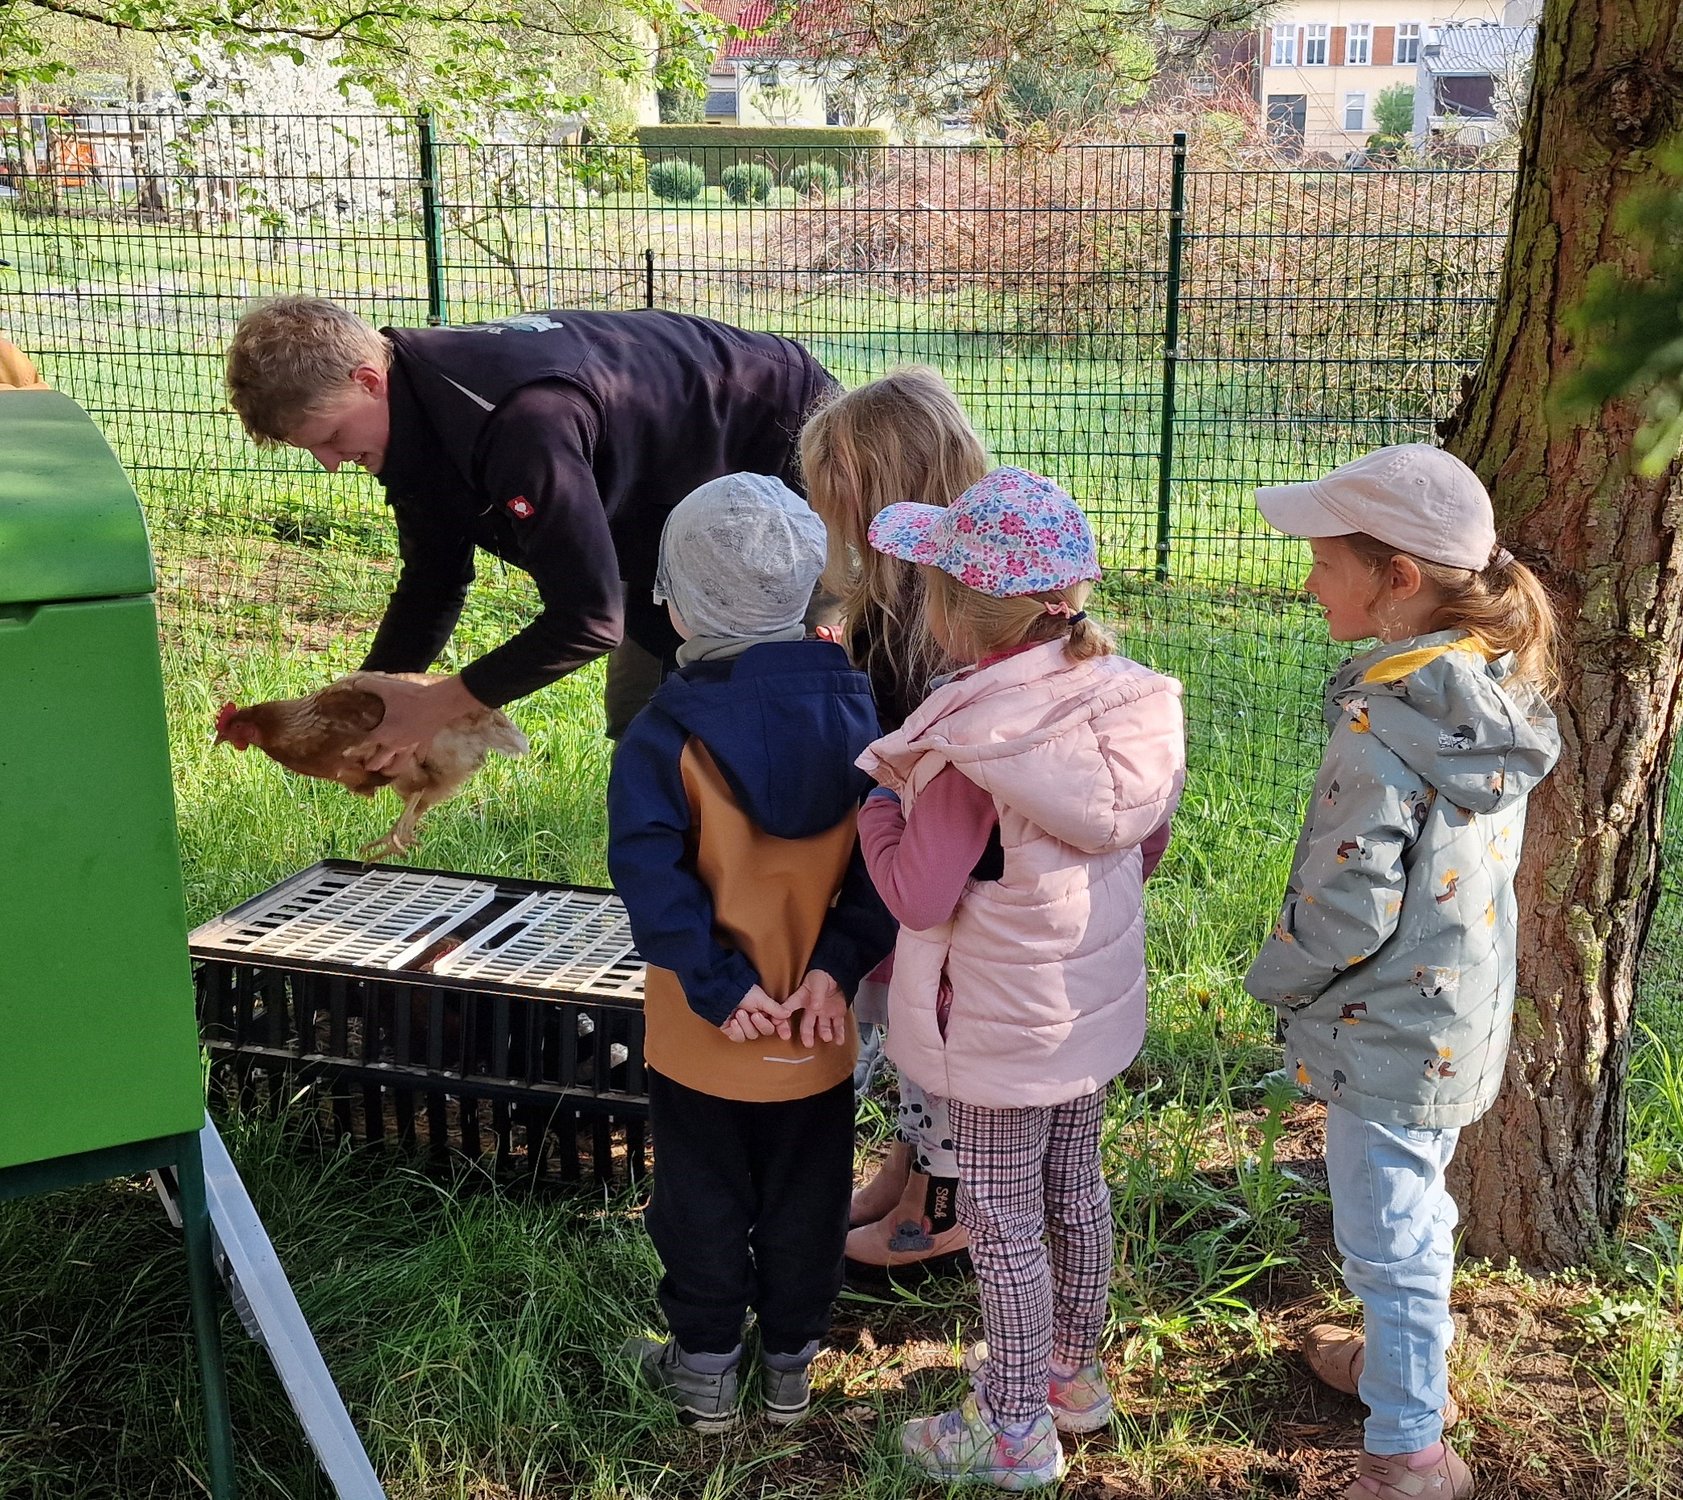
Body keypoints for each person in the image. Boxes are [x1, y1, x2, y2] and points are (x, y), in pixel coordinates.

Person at [855, 467, 1185, 1489]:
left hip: (995, 1022)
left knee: (1001, 1224)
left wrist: (878, 813)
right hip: (1085, 1003)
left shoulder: (971, 742)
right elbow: (1145, 843)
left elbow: (918, 896)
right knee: (1075, 1193)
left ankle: (1010, 1429)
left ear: (957, 611)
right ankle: (1071, 1379)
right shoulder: (1126, 700)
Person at [1244, 444, 1561, 1500]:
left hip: (1382, 1028)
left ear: (1398, 579)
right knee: (1414, 1212)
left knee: (1387, 1239)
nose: (1308, 583)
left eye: (1323, 563)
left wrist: (1276, 979)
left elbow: (1347, 908)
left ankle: (1410, 1453)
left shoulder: (1386, 720)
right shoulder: (1485, 691)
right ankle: (1401, 1368)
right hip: (1453, 1016)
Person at [223, 298, 836, 759]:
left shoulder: (519, 422)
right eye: (312, 450)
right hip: (661, 500)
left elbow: (588, 620)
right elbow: (433, 582)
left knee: (773, 717)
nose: (331, 464)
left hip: (779, 445)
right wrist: (369, 705)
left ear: (367, 380)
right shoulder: (409, 425)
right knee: (646, 724)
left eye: (332, 438)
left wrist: (438, 704)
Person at [606, 472, 896, 1432]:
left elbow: (651, 877)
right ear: (810, 593)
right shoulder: (861, 717)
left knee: (698, 1196)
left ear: (678, 606)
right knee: (808, 1198)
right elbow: (879, 868)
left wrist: (720, 985)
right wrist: (836, 967)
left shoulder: (662, 732)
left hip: (703, 1029)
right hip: (817, 1024)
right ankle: (789, 1370)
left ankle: (702, 1371)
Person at [799, 365, 990, 1276]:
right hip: (920, 863)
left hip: (943, 876)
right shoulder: (906, 593)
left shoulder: (939, 613)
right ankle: (905, 1171)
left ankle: (936, 1213)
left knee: (938, 1040)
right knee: (916, 1036)